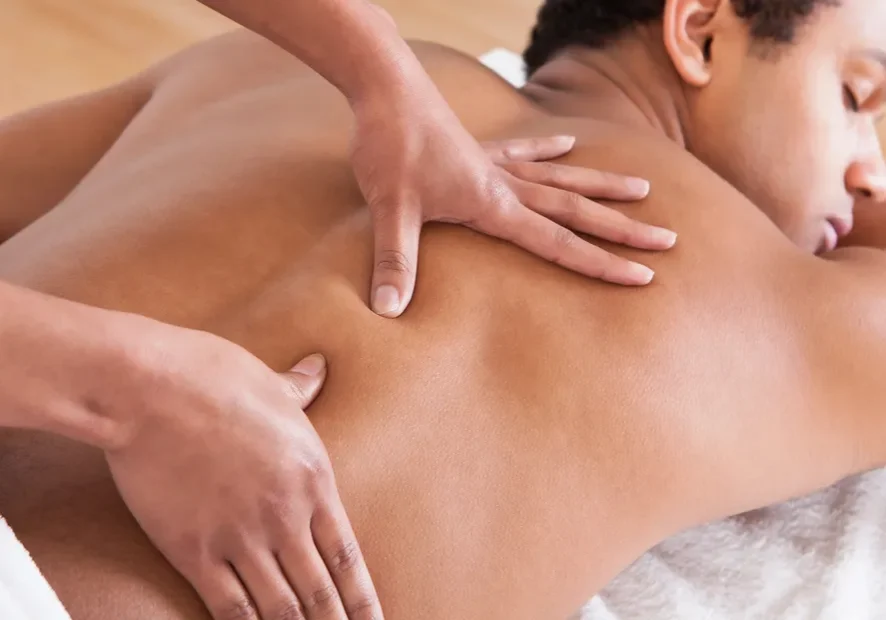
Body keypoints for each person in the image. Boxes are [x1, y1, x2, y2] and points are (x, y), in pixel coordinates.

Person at [2, 0, 886, 619]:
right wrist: (131, 389)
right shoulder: (788, 314)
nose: (872, 173)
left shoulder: (251, 66)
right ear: (698, 26)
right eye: (856, 96)